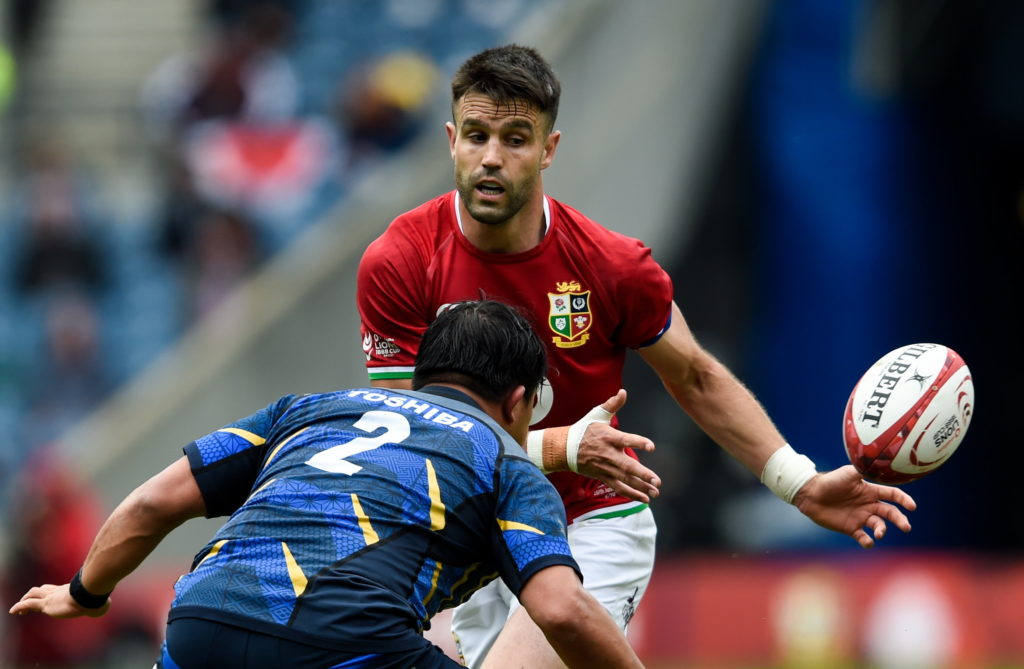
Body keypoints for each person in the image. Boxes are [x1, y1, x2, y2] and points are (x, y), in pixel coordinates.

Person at [356, 44, 918, 668]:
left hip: (591, 521)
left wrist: (799, 482)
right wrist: (565, 445)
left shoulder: (612, 265)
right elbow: (412, 443)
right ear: (451, 140)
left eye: (516, 138)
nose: (492, 157)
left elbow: (697, 377)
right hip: (479, 528)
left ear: (548, 149)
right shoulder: (399, 262)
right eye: (476, 135)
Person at [8, 299, 644, 669]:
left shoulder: (306, 410)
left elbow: (152, 503)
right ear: (516, 401)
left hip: (201, 623)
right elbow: (561, 611)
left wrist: (85, 592)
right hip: (345, 639)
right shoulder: (506, 463)